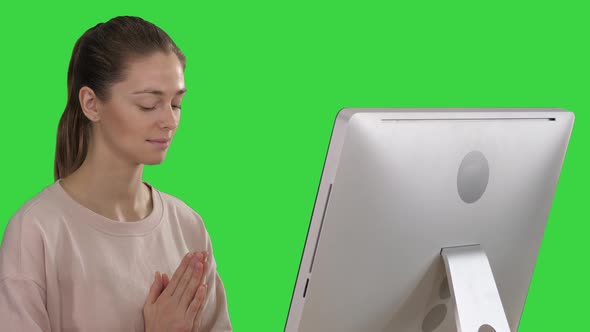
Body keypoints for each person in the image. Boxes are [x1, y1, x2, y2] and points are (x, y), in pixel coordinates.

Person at [0, 16, 232, 332]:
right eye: (149, 104)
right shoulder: (37, 233)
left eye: (176, 103)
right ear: (91, 104)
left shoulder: (188, 227)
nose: (169, 121)